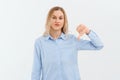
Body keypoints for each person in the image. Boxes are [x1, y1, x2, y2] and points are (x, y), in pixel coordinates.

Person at [31, 6, 104, 80]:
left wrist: (88, 31)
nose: (57, 20)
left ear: (64, 21)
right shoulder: (40, 43)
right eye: (54, 17)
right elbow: (36, 71)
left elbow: (99, 45)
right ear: (49, 20)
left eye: (60, 18)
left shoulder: (72, 40)